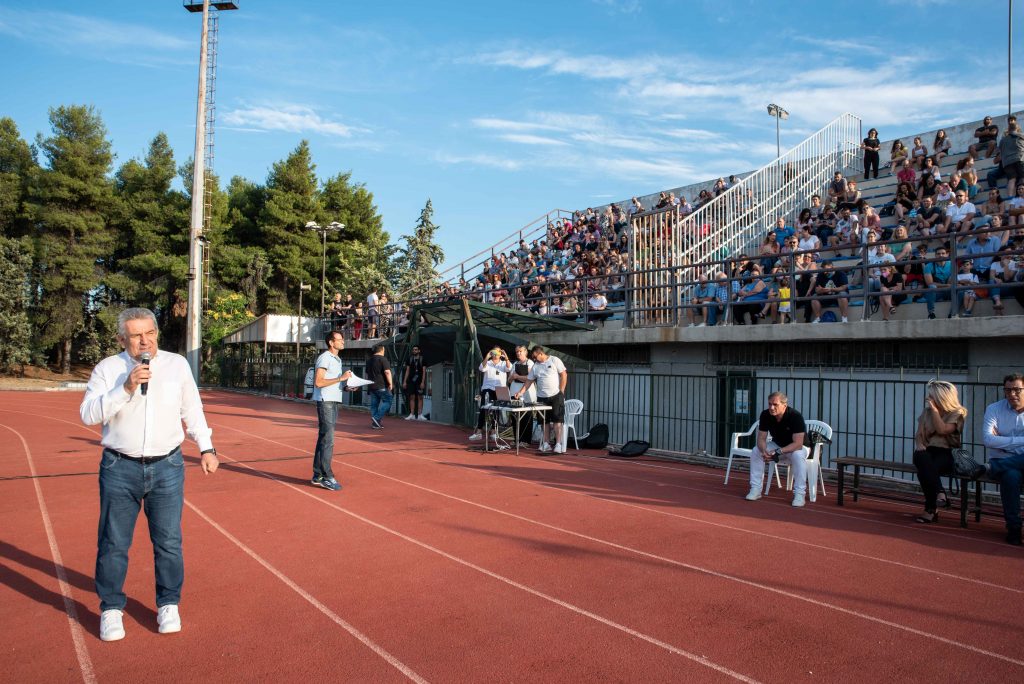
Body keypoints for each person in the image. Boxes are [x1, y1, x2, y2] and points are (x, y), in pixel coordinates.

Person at [79, 307, 219, 642]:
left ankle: (168, 603)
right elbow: (87, 415)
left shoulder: (176, 365)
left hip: (167, 466)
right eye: (136, 336)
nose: (145, 342)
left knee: (169, 542)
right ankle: (111, 608)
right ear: (121, 339)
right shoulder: (108, 369)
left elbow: (192, 408)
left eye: (150, 333)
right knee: (113, 543)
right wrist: (124, 388)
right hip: (119, 466)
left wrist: (206, 446)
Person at [970, 374, 1024, 545]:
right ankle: (1014, 527)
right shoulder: (994, 408)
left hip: (999, 462)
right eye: (1008, 390)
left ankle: (991, 467)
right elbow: (988, 440)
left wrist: (1003, 441)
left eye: (1017, 389)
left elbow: (995, 441)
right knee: (1011, 477)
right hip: (1006, 466)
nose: (1012, 394)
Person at [911, 380, 967, 524]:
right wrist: (919, 444)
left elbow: (942, 430)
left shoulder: (957, 413)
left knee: (923, 470)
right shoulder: (926, 411)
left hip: (947, 452)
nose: (928, 398)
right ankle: (940, 493)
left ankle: (931, 509)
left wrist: (935, 411)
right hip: (928, 451)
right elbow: (919, 434)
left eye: (931, 395)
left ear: (942, 396)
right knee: (920, 456)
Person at [744, 392, 810, 507]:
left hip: (798, 448)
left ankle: (800, 494)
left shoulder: (795, 416)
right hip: (777, 445)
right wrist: (764, 451)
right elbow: (761, 438)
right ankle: (756, 489)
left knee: (798, 456)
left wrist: (777, 452)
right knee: (756, 451)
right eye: (769, 404)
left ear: (784, 405)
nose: (771, 407)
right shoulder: (765, 414)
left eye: (775, 404)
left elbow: (798, 444)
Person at [311, 330, 353, 491]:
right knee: (328, 440)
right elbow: (319, 382)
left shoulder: (337, 359)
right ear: (331, 342)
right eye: (340, 339)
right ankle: (327, 476)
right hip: (325, 402)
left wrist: (346, 386)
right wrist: (340, 378)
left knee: (324, 439)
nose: (343, 342)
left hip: (333, 400)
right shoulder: (325, 358)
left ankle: (318, 475)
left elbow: (334, 382)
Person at [514, 346, 568, 454]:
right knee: (544, 421)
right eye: (533, 358)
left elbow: (564, 375)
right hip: (541, 397)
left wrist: (561, 391)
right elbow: (529, 381)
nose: (534, 359)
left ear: (541, 354)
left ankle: (558, 443)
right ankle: (546, 443)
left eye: (535, 357)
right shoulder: (535, 366)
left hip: (556, 395)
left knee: (557, 420)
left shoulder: (554, 360)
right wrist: (520, 392)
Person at [468, 347, 512, 441]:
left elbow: (509, 368)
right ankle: (479, 432)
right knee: (484, 408)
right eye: (494, 351)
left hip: (500, 388)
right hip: (487, 388)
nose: (496, 353)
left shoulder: (503, 363)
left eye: (498, 351)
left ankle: (493, 432)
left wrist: (506, 356)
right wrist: (487, 357)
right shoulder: (488, 362)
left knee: (496, 410)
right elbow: (481, 368)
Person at [508, 345, 536, 447]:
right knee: (515, 417)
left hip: (526, 395)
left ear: (525, 352)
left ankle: (526, 440)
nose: (518, 353)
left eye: (520, 351)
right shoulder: (514, 364)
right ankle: (516, 439)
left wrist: (517, 376)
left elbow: (530, 378)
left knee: (526, 416)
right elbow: (509, 380)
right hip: (513, 393)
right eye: (517, 352)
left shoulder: (530, 363)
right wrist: (512, 377)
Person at [365, 344, 393, 429]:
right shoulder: (383, 359)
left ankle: (375, 423)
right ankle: (376, 418)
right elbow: (387, 372)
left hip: (371, 386)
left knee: (374, 405)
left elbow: (366, 374)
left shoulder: (369, 360)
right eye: (384, 350)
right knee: (388, 401)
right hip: (381, 385)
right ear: (381, 350)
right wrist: (391, 383)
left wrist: (368, 383)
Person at [403, 344, 427, 421]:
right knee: (412, 397)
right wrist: (404, 382)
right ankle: (412, 414)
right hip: (411, 381)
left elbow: (424, 371)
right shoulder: (409, 359)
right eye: (413, 350)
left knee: (420, 397)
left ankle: (420, 415)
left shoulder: (422, 359)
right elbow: (407, 371)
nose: (414, 351)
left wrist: (423, 382)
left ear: (419, 351)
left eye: (416, 349)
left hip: (419, 381)